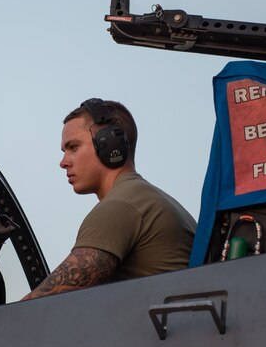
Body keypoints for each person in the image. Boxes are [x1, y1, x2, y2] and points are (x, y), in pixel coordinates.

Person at [22, 98, 195, 300]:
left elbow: (43, 304)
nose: (63, 162)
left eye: (73, 147)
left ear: (109, 143)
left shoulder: (121, 206)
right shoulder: (146, 198)